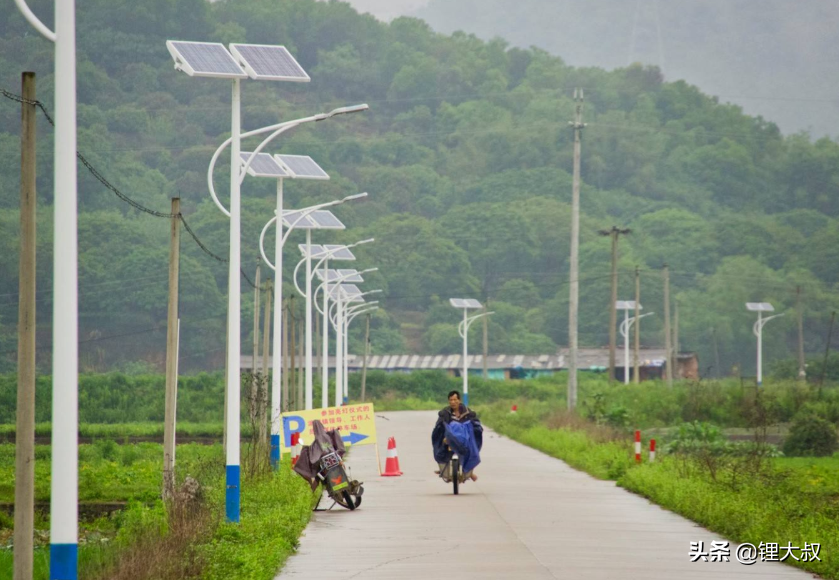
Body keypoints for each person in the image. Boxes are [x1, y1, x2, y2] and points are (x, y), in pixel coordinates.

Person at [431, 390, 483, 482]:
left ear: (459, 400)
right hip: (449, 439)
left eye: (455, 400)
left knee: (472, 448)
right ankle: (443, 468)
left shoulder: (467, 412)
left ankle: (470, 472)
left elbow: (474, 424)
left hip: (464, 440)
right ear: (448, 401)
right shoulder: (445, 413)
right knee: (440, 448)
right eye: (451, 400)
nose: (453, 402)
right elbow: (439, 426)